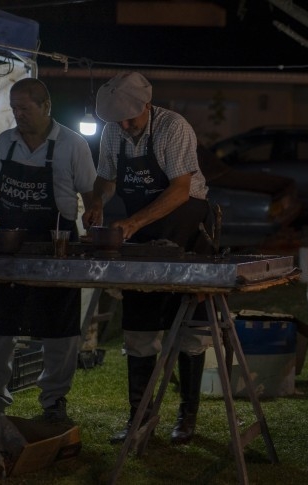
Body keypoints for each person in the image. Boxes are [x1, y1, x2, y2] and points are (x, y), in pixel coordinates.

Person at [83, 71, 213, 445]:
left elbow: (179, 191)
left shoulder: (174, 128)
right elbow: (106, 179)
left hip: (186, 232)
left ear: (147, 105)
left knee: (189, 330)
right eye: (117, 121)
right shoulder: (112, 133)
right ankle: (140, 418)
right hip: (140, 237)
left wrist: (133, 223)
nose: (124, 126)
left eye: (130, 118)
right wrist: (96, 203)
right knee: (139, 328)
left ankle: (186, 419)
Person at [0, 77, 97, 423]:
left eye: (24, 108)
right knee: (0, 327)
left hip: (54, 245)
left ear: (46, 107)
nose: (17, 115)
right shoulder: (5, 142)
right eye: (13, 108)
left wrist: (93, 225)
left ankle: (54, 402)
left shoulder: (72, 145)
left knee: (59, 328)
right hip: (8, 247)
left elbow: (91, 198)